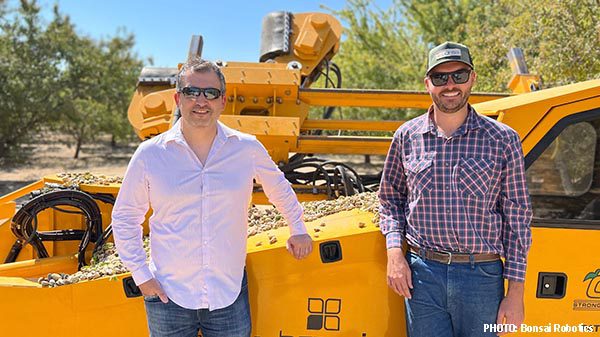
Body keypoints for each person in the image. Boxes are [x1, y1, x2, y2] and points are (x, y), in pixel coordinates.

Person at [111, 58, 313, 337]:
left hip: (227, 294)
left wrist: (298, 228)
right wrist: (142, 276)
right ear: (177, 98)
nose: (201, 101)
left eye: (210, 93)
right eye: (192, 92)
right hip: (168, 295)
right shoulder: (150, 154)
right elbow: (125, 217)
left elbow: (278, 186)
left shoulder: (246, 148)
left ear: (223, 100)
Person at [379, 42, 532, 337]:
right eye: (440, 78)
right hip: (422, 276)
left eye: (459, 76)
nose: (450, 85)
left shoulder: (502, 139)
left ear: (472, 78)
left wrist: (516, 292)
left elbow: (518, 219)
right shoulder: (406, 137)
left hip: (482, 278)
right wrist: (395, 254)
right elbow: (390, 199)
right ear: (428, 84)